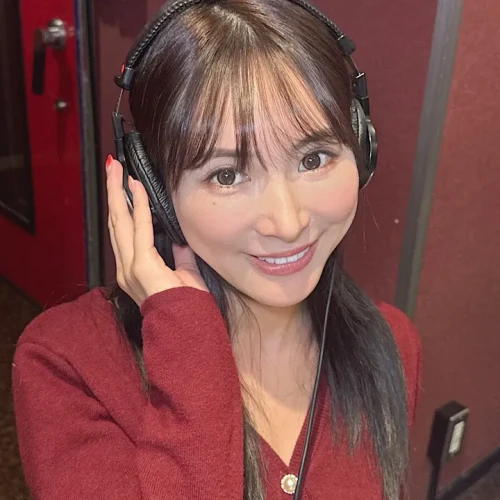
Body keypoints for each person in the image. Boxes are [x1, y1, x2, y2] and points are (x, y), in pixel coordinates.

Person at [12, 0, 422, 499]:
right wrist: (187, 341)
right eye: (227, 175)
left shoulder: (390, 345)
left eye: (314, 158)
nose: (288, 223)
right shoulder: (68, 363)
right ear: (156, 193)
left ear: (362, 148)